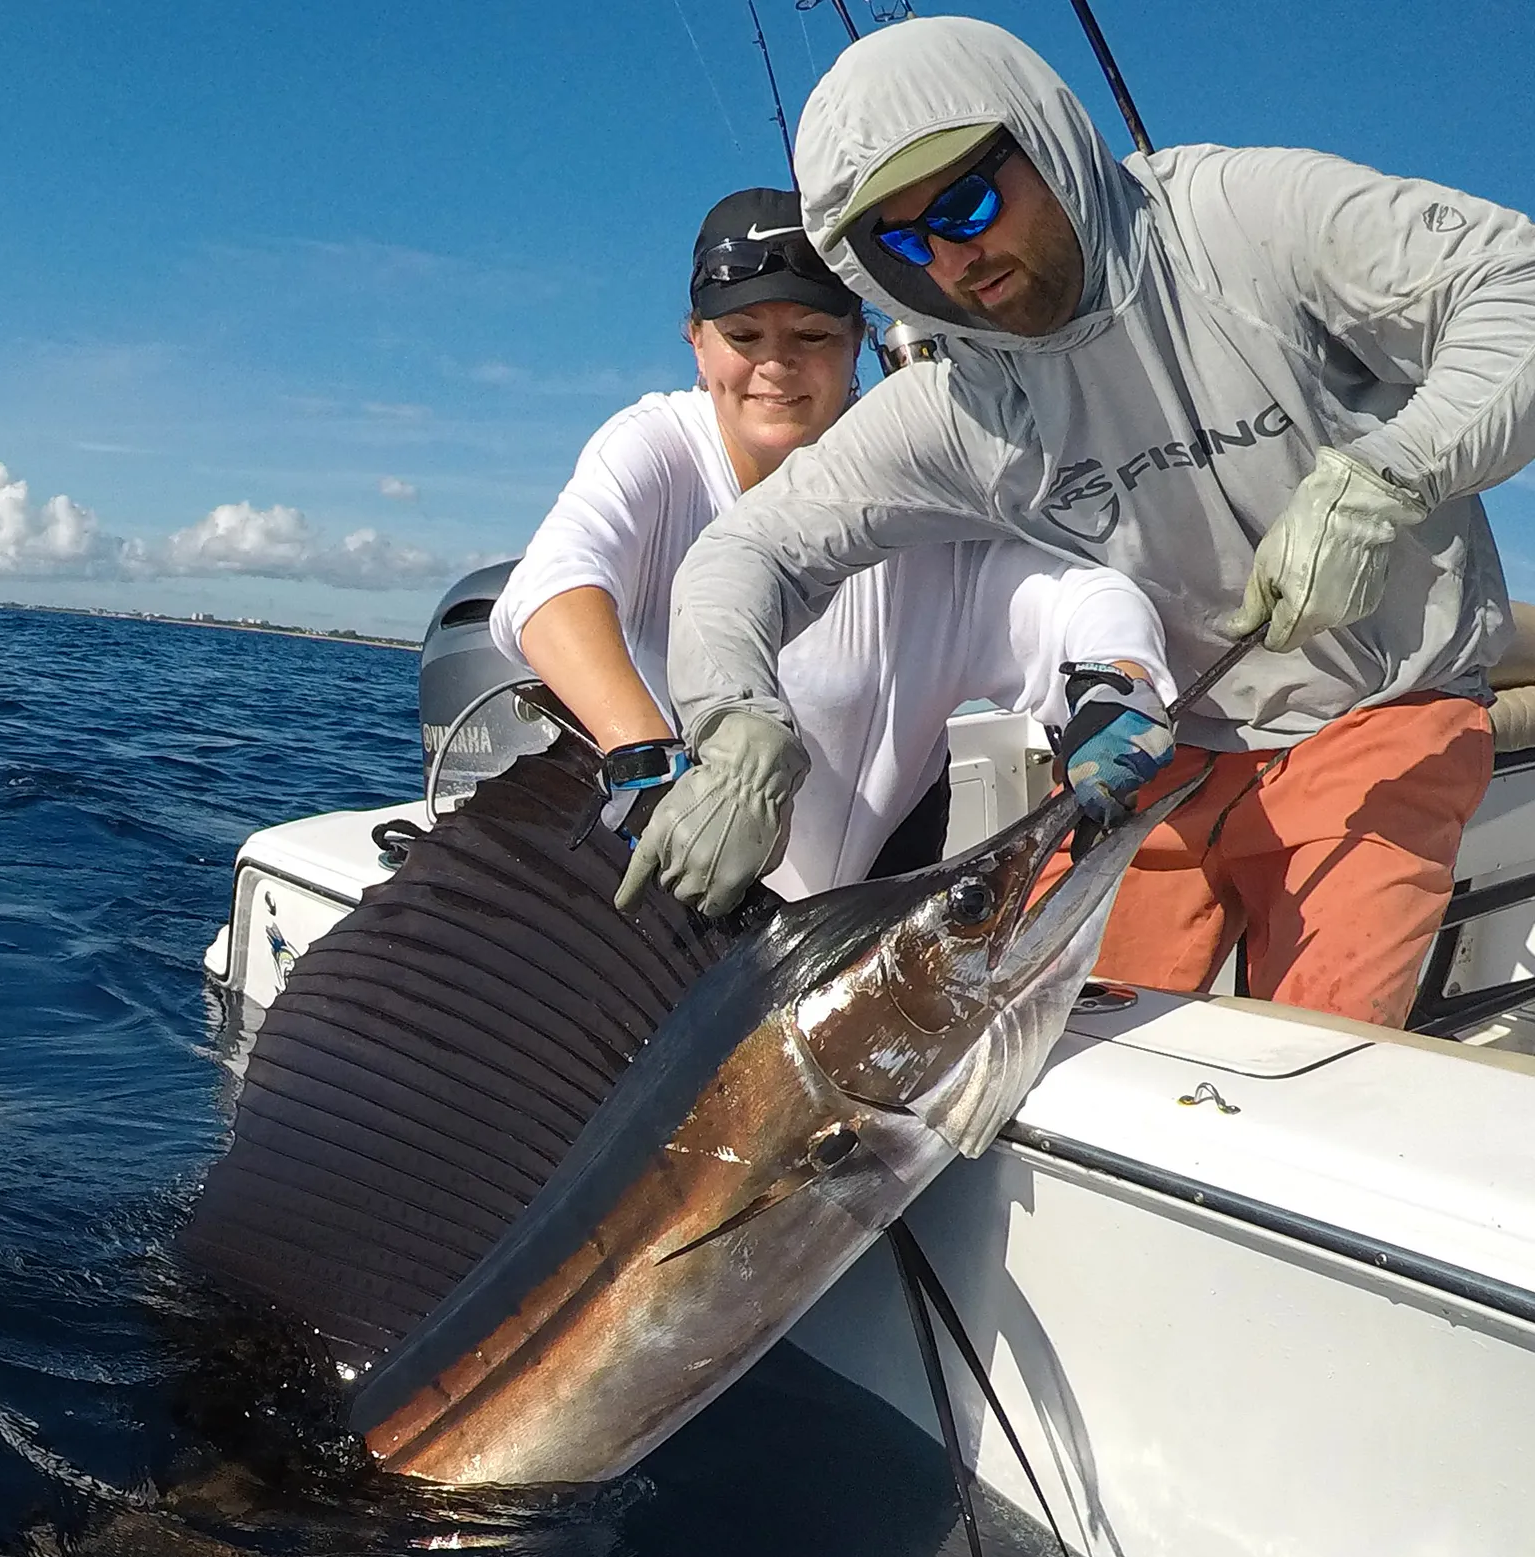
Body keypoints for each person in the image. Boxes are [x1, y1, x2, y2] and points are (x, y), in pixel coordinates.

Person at [636, 16, 1535, 1027]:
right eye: (902, 240)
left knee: (1311, 1056)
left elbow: (1518, 285)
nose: (952, 257)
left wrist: (1394, 475)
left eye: (969, 202)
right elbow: (753, 550)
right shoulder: (959, 408)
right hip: (1157, 753)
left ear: (1047, 140)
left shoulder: (1242, 222)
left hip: (1383, 707)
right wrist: (733, 720)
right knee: (1055, 1040)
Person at [491, 185, 1178, 910]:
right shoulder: (660, 448)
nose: (776, 366)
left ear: (857, 341)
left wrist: (1118, 672)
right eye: (744, 336)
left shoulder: (924, 488)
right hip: (650, 884)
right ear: (695, 342)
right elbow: (551, 588)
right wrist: (645, 761)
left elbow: (1076, 598)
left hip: (835, 922)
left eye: (812, 336)